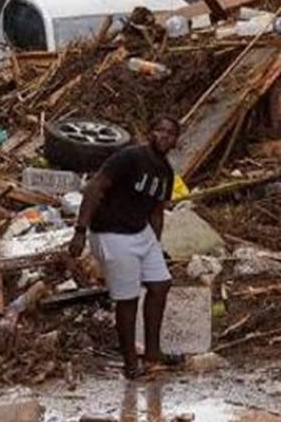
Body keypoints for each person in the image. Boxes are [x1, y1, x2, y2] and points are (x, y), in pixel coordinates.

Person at [67, 115, 183, 379]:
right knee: (127, 298)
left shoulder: (165, 171)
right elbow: (94, 188)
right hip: (111, 233)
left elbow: (156, 210)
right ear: (150, 132)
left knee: (160, 285)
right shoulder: (129, 158)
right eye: (160, 130)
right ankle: (131, 363)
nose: (165, 136)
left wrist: (156, 242)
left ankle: (153, 352)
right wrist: (80, 231)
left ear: (176, 141)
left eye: (171, 133)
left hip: (140, 232)